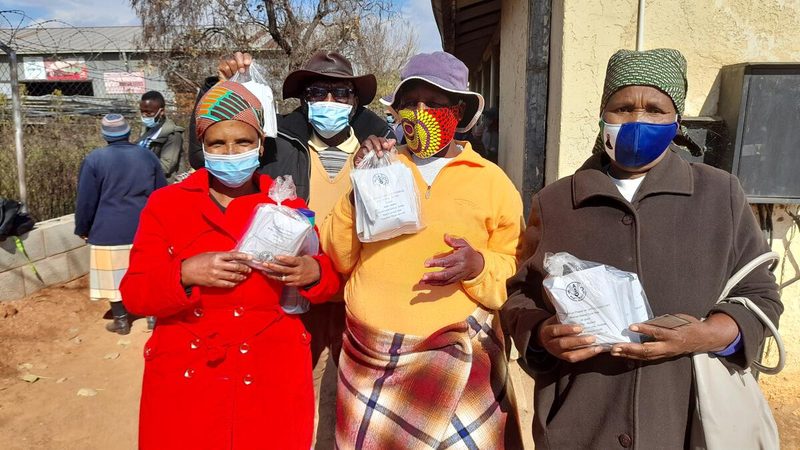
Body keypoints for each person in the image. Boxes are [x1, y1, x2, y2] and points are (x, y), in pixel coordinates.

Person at [500, 48, 783, 449]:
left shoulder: (720, 194)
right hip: (582, 425)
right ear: (603, 116)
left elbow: (760, 297)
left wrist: (706, 335)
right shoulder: (557, 201)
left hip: (685, 422)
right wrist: (543, 333)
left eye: (654, 109)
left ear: (677, 121)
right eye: (622, 108)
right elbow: (520, 299)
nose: (637, 120)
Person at [120, 81, 341, 449]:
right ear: (202, 147)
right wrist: (185, 272)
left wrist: (314, 273)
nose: (230, 151)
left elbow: (330, 280)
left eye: (242, 142)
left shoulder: (287, 208)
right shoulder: (166, 205)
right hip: (189, 373)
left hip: (271, 371)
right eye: (217, 143)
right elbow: (135, 293)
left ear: (260, 145)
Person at [322, 51, 524, 449]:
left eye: (434, 103)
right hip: (372, 360)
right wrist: (356, 189)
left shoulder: (492, 181)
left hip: (460, 361)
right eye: (410, 103)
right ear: (395, 112)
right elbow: (338, 255)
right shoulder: (376, 166)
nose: (421, 112)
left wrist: (478, 265)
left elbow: (515, 267)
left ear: (459, 110)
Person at [206, 51, 394, 448]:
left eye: (341, 92)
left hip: (358, 295)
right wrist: (224, 88)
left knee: (354, 399)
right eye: (318, 91)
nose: (329, 101)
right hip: (289, 292)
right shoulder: (277, 143)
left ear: (355, 100)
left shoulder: (384, 147)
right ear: (303, 98)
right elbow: (214, 152)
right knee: (287, 390)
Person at [74, 114, 167, 335]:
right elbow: (162, 193)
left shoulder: (94, 160)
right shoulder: (147, 157)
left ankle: (121, 320)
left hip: (107, 230)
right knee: (148, 274)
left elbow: (86, 200)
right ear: (128, 132)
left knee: (114, 279)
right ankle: (153, 318)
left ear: (105, 135)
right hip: (145, 228)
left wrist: (83, 228)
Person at [137, 90, 186, 183]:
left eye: (149, 113)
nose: (144, 116)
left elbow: (166, 167)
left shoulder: (173, 134)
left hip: (164, 184)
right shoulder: (146, 129)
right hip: (145, 180)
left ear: (161, 111)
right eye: (142, 112)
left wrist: (136, 166)